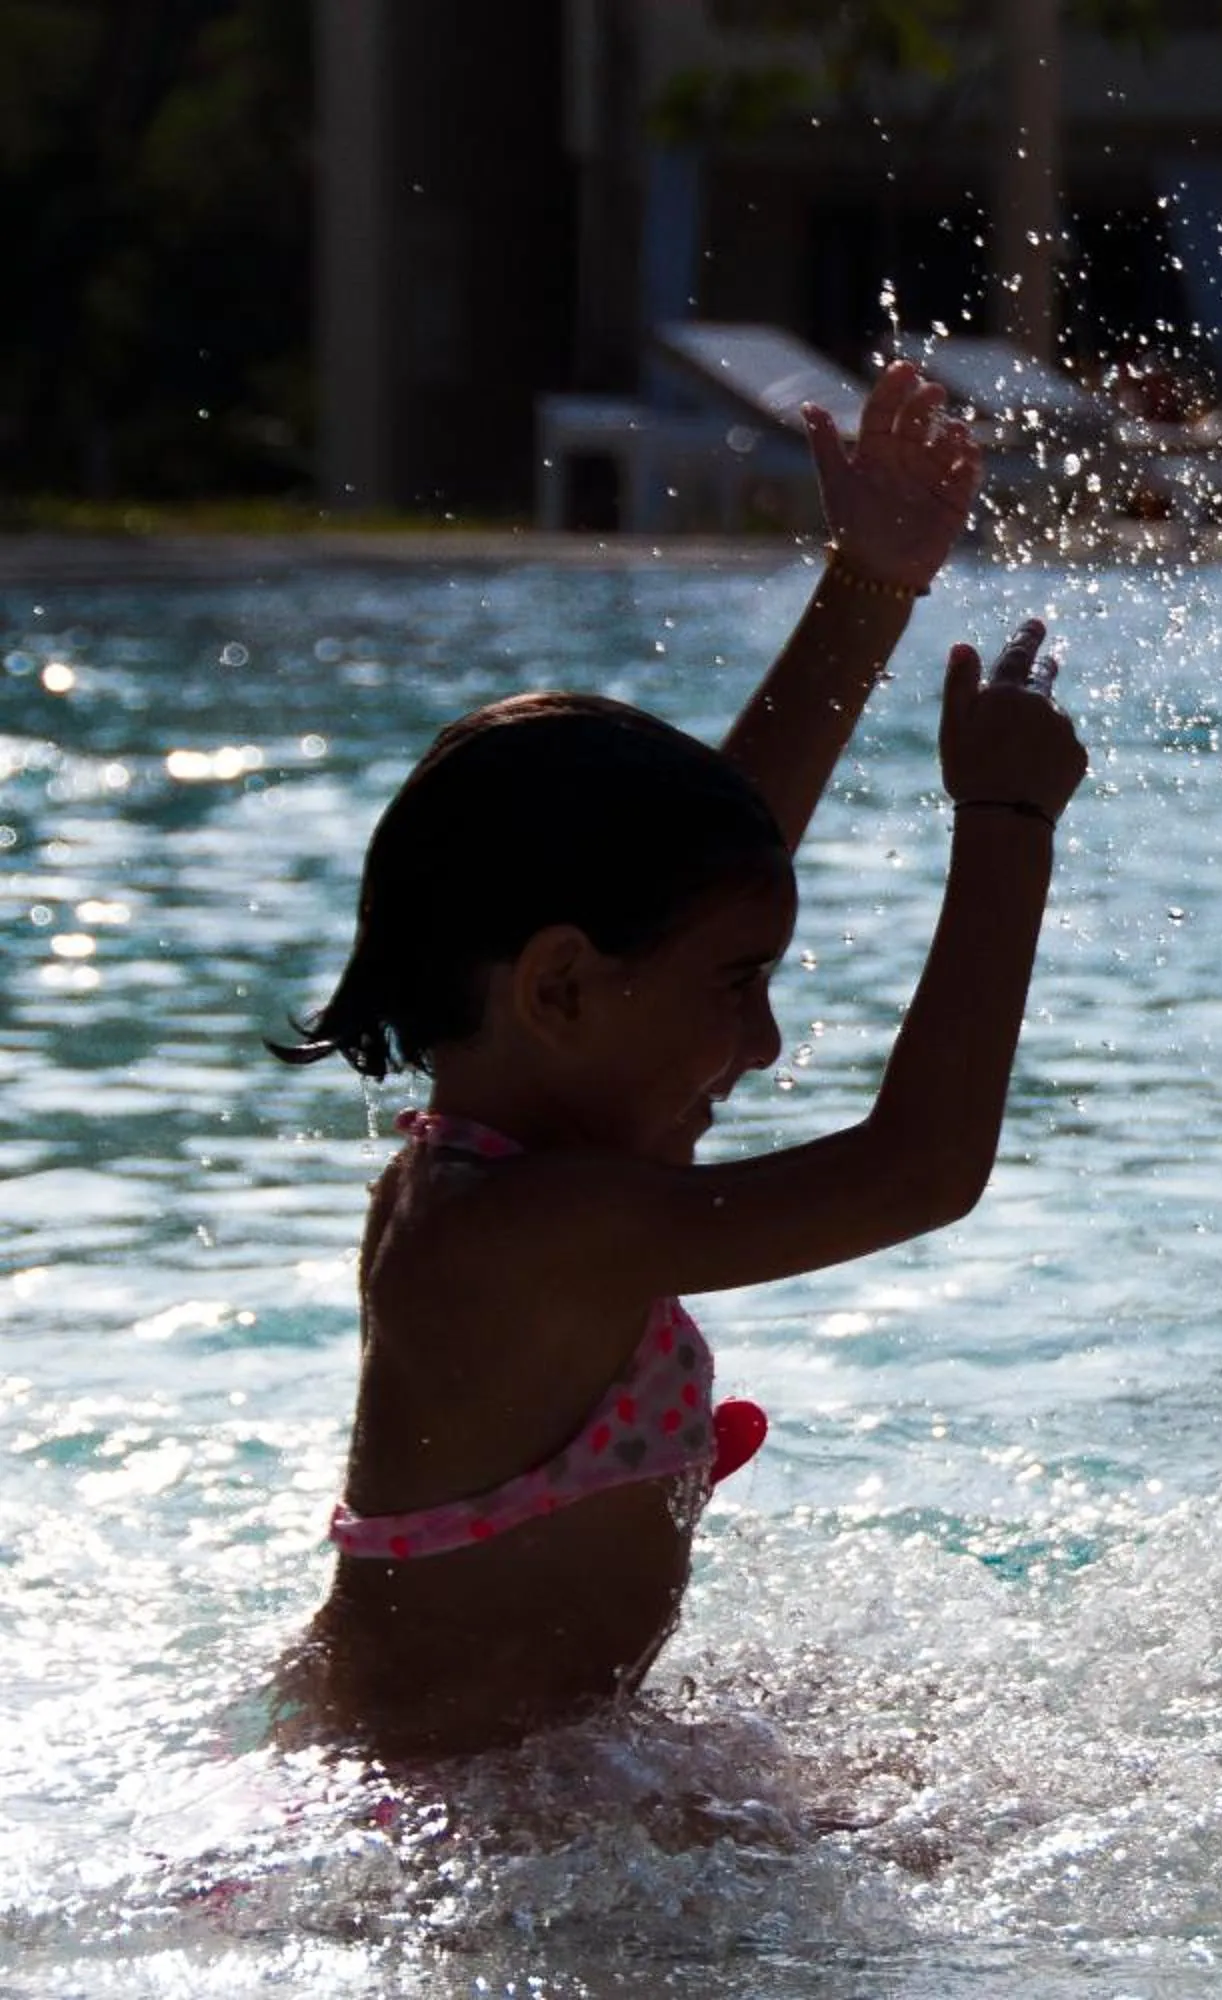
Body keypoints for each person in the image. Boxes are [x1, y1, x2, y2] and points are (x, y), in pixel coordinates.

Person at [272, 363, 1090, 1759]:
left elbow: (713, 860)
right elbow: (921, 1170)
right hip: (456, 1801)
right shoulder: (525, 1229)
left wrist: (873, 584)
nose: (763, 1043)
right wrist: (1007, 823)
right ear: (560, 986)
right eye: (738, 987)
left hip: (515, 1761)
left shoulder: (504, 1164)